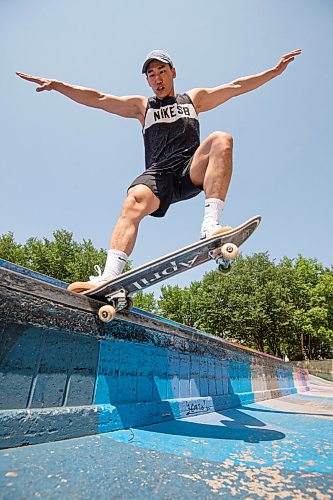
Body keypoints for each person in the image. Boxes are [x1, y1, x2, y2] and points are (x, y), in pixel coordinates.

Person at [17, 48, 301, 291]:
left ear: (173, 72)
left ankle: (210, 226)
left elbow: (236, 87)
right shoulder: (143, 106)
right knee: (132, 201)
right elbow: (99, 99)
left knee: (222, 139)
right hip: (159, 175)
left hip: (191, 169)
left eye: (161, 71)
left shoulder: (194, 99)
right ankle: (110, 276)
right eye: (151, 75)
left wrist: (273, 72)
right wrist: (58, 86)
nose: (157, 79)